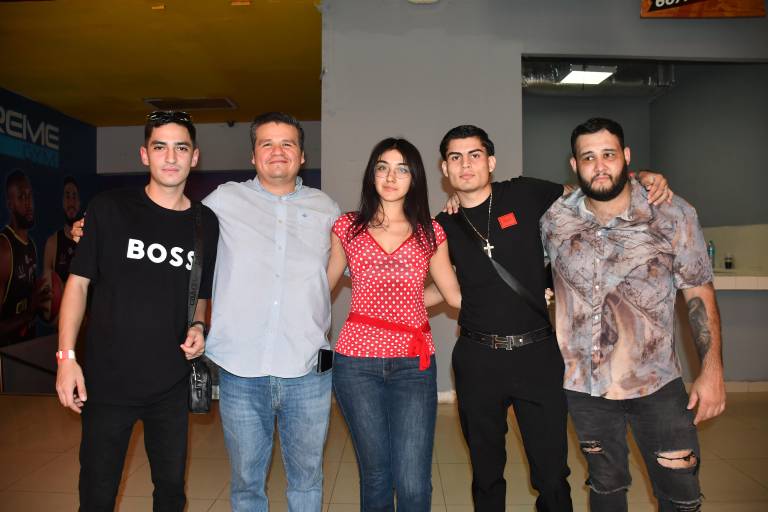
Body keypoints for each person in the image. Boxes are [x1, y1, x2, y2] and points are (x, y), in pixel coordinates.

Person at [435, 125, 671, 511]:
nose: (465, 165)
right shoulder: (442, 225)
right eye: (455, 158)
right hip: (477, 359)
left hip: (537, 355)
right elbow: (445, 286)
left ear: (490, 162)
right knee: (486, 471)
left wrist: (640, 178)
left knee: (551, 472)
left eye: (474, 155)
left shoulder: (525, 193)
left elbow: (590, 192)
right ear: (445, 169)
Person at [540, 117, 725, 512]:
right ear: (574, 164)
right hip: (585, 388)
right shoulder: (554, 218)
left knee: (680, 492)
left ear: (626, 156)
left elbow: (698, 292)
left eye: (608, 154)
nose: (599, 166)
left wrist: (711, 372)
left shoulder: (672, 213)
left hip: (657, 385)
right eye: (588, 157)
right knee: (605, 488)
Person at [55, 111, 219, 511]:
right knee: (97, 494)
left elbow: (200, 294)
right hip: (107, 383)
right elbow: (77, 285)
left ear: (195, 156)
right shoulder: (109, 208)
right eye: (160, 147)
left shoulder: (206, 223)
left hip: (171, 384)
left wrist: (199, 325)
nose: (171, 157)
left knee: (170, 493)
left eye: (181, 148)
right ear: (144, 154)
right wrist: (66, 358)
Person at [201, 112, 340, 511]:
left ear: (302, 156)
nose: (277, 152)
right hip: (240, 370)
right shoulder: (224, 200)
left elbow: (360, 257)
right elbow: (174, 225)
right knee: (247, 484)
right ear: (253, 155)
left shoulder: (325, 208)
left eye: (287, 144)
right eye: (267, 144)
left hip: (308, 369)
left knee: (307, 481)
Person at [326, 138, 461, 511]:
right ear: (372, 174)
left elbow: (452, 294)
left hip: (413, 364)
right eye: (382, 167)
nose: (391, 176)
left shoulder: (430, 232)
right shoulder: (347, 227)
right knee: (376, 475)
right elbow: (322, 289)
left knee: (413, 481)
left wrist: (517, 301)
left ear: (415, 177)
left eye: (402, 169)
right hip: (356, 364)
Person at [0, 169, 49, 347]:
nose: (28, 203)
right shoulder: (4, 249)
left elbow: (29, 302)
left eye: (30, 196)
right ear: (10, 204)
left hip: (27, 348)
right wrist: (29, 313)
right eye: (21, 197)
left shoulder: (31, 246)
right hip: (7, 356)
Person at [44, 175, 81, 284]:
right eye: (67, 196)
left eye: (74, 196)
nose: (71, 202)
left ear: (79, 203)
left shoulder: (90, 240)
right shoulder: (52, 243)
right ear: (62, 202)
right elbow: (47, 286)